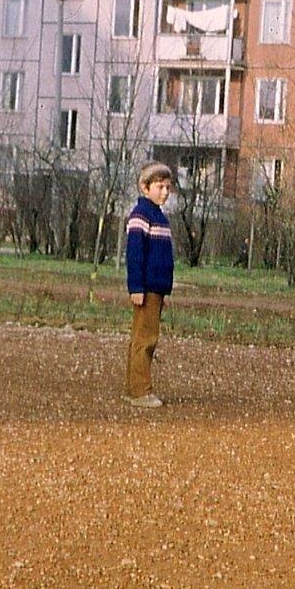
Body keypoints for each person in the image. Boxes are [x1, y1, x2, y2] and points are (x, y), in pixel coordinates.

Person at [123, 162, 175, 409]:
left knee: (145, 337)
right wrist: (136, 287)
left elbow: (164, 259)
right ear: (145, 188)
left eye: (167, 188)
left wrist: (165, 290)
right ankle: (140, 391)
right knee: (145, 340)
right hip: (145, 289)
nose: (164, 192)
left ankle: (134, 387)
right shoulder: (140, 216)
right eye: (159, 187)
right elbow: (135, 255)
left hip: (156, 290)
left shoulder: (160, 217)